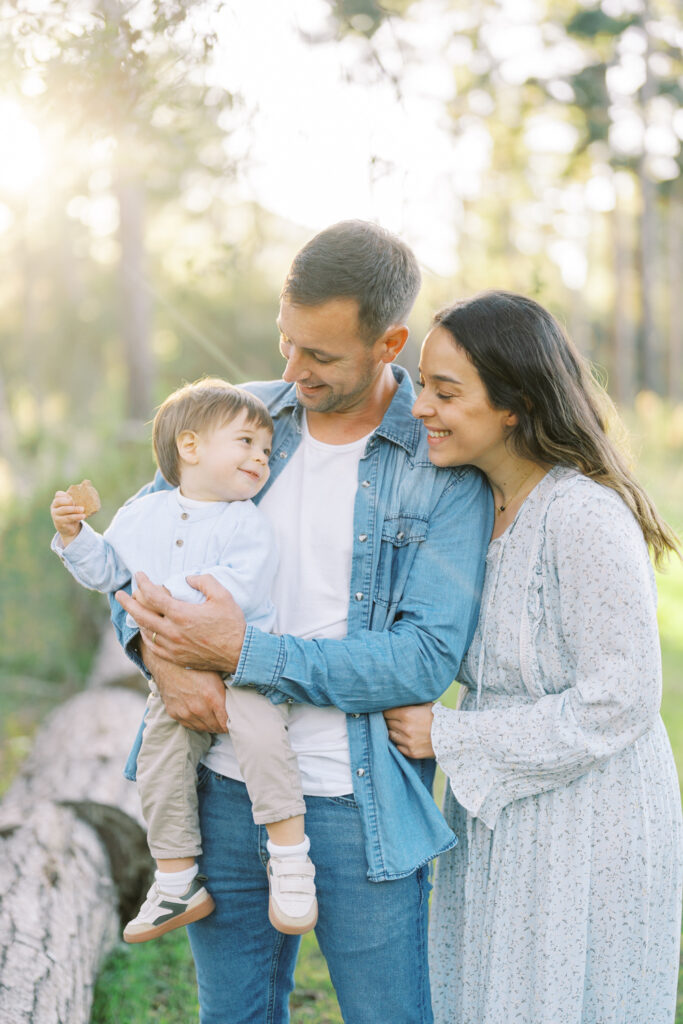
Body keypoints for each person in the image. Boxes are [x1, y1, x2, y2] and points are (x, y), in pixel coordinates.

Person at [113, 220, 493, 1024]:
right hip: (218, 789)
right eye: (287, 342)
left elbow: (421, 660)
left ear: (389, 342)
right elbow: (132, 548)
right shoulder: (243, 420)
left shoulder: (440, 473)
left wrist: (245, 653)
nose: (291, 370)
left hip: (359, 807)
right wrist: (162, 654)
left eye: (318, 355)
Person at [383, 290, 683, 1024]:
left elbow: (622, 695)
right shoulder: (469, 507)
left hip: (587, 816)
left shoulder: (582, 515)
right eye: (422, 385)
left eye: (446, 392)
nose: (420, 406)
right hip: (499, 811)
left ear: (513, 404)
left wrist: (450, 734)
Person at [50, 378, 319, 943]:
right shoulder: (140, 515)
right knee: (159, 758)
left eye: (266, 452)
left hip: (239, 660)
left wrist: (163, 608)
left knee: (263, 737)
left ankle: (291, 857)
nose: (259, 458)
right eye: (245, 442)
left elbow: (238, 589)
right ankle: (176, 879)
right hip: (177, 666)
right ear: (190, 448)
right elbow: (109, 572)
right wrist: (75, 535)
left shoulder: (247, 523)